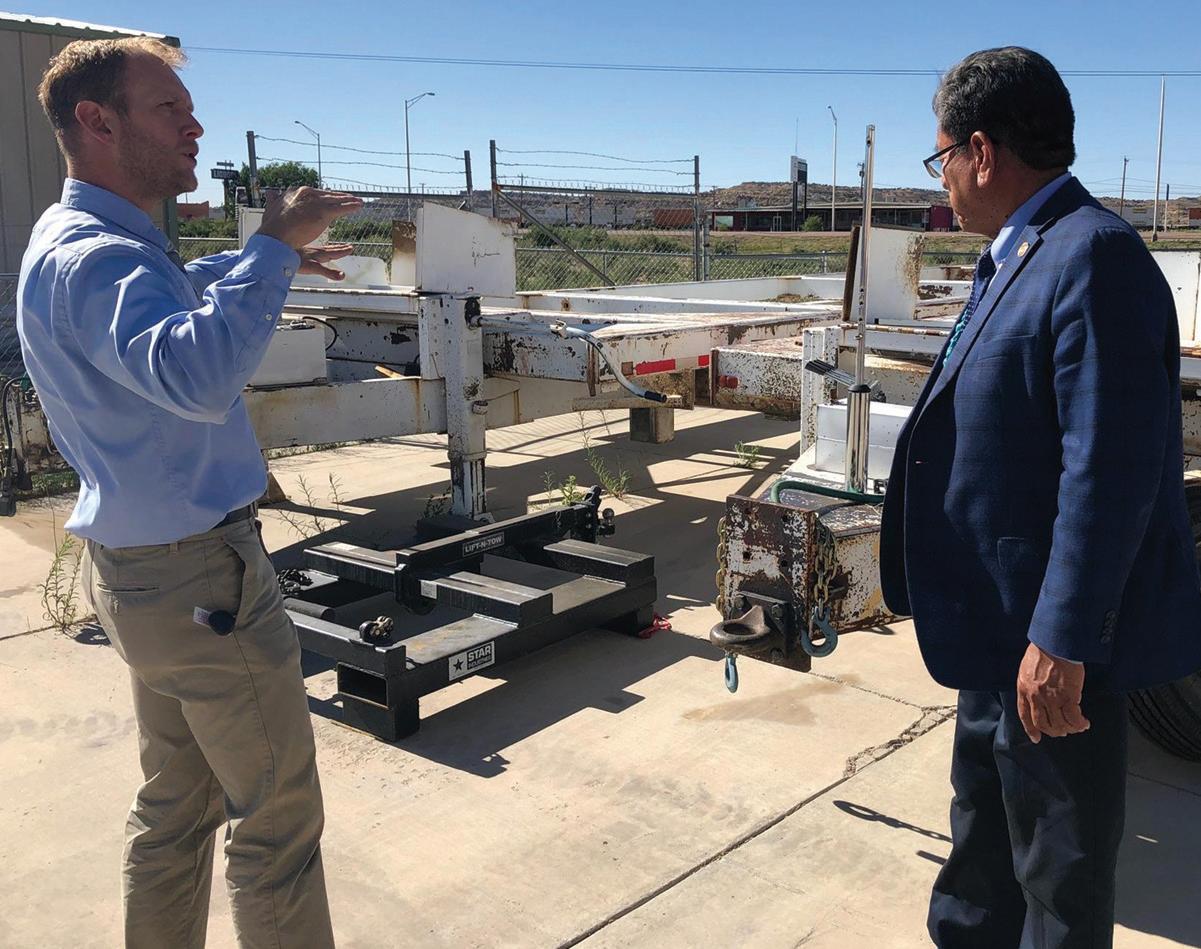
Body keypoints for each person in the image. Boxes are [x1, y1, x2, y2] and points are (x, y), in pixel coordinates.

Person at [17, 36, 363, 948]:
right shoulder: (103, 258)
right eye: (169, 108)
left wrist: (254, 266)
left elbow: (162, 298)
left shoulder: (83, 243)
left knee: (176, 805)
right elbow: (196, 374)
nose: (195, 125)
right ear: (97, 120)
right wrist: (272, 249)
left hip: (145, 576)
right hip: (201, 579)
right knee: (277, 821)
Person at [879, 46, 1201, 948]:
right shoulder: (1021, 252)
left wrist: (1061, 638)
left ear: (980, 152)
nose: (941, 180)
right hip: (993, 630)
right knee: (981, 846)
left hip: (1049, 653)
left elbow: (1111, 468)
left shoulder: (1092, 256)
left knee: (1056, 875)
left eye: (940, 157)